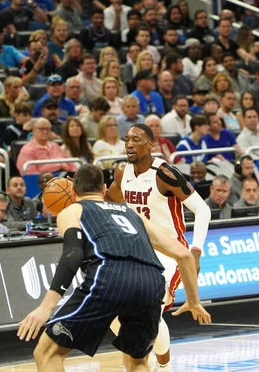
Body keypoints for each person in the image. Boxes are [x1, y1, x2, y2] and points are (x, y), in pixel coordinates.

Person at [17, 164, 211, 372]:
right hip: (150, 282)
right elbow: (183, 254)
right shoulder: (132, 214)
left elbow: (73, 255)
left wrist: (46, 307)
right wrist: (193, 300)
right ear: (104, 190)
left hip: (109, 277)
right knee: (137, 361)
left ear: (73, 192)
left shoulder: (72, 211)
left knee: (47, 353)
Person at [106, 123, 211, 371]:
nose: (130, 143)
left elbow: (203, 209)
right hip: (134, 251)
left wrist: (195, 251)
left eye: (137, 139)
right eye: (127, 139)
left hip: (169, 253)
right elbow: (110, 202)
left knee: (152, 309)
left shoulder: (165, 173)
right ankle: (142, 354)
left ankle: (163, 365)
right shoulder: (122, 172)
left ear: (150, 144)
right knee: (112, 310)